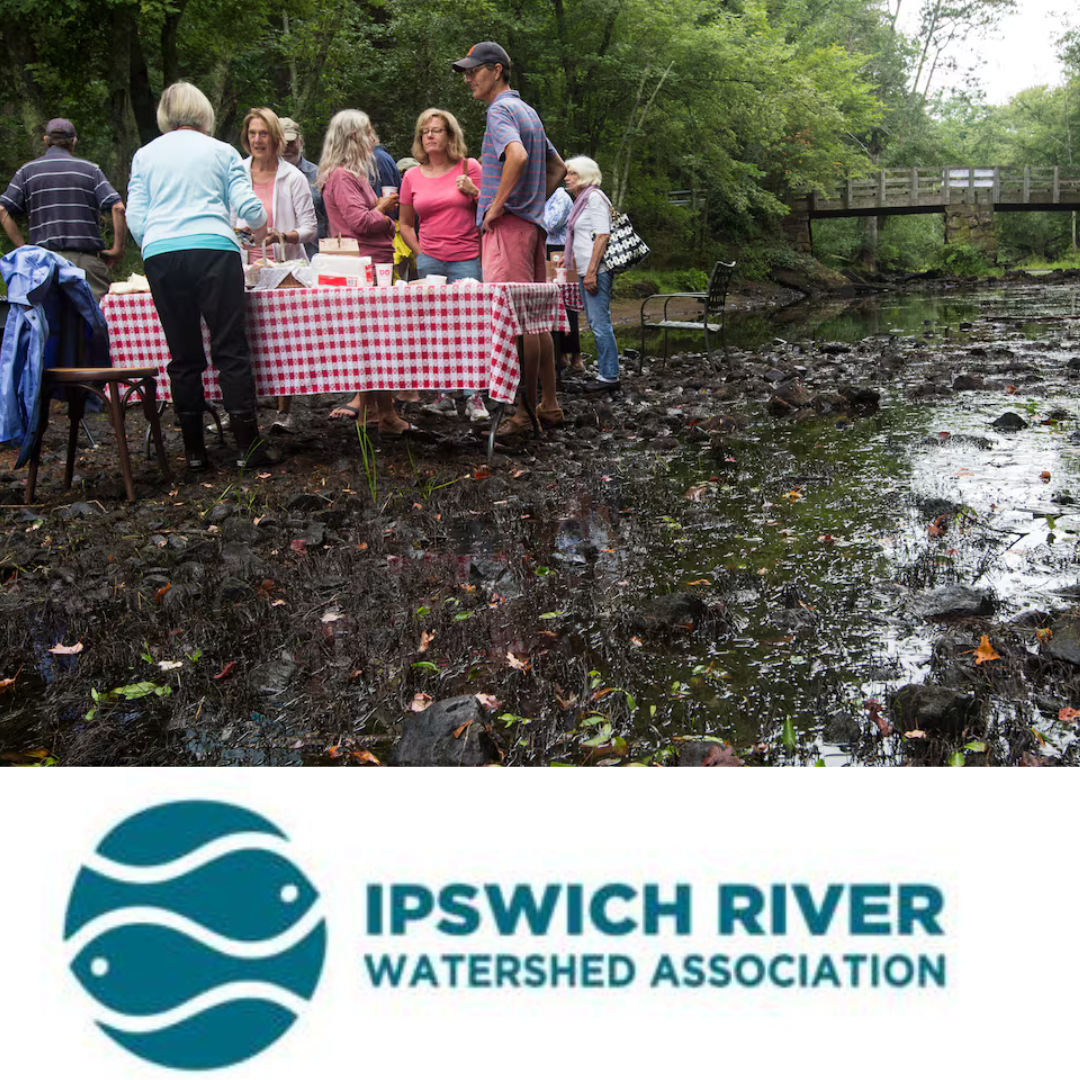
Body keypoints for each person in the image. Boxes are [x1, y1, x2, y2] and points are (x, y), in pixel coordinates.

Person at [125, 81, 278, 471]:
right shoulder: (222, 151)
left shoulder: (145, 154)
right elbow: (250, 209)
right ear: (204, 112)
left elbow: (136, 217)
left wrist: (154, 242)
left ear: (165, 114)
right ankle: (247, 446)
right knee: (230, 349)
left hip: (162, 253)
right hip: (215, 249)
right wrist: (258, 225)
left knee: (183, 355)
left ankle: (194, 452)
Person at [452, 41, 566, 436]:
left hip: (510, 229)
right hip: (531, 227)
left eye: (474, 71)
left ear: (497, 70)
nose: (468, 78)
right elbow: (558, 168)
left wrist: (499, 204)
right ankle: (547, 404)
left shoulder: (499, 110)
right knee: (533, 317)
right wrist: (533, 203)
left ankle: (522, 413)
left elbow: (515, 157)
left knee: (515, 320)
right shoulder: (527, 110)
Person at [318, 109, 415, 437]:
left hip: (370, 262)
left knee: (372, 340)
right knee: (377, 340)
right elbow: (359, 222)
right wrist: (390, 220)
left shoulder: (349, 174)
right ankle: (383, 414)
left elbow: (357, 215)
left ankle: (374, 411)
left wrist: (377, 209)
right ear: (354, 138)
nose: (373, 139)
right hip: (365, 265)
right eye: (368, 132)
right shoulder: (343, 176)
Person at [399, 108, 488, 423]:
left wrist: (474, 192)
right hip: (430, 260)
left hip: (466, 257)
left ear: (451, 135)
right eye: (425, 131)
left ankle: (475, 397)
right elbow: (406, 224)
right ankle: (445, 396)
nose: (430, 136)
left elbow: (490, 213)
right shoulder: (411, 176)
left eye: (436, 130)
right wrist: (421, 252)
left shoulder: (470, 166)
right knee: (437, 328)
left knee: (470, 326)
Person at [235, 107, 317, 433]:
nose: (257, 140)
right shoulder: (237, 174)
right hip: (243, 265)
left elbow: (310, 228)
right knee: (241, 337)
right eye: (252, 134)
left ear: (275, 138)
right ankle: (241, 406)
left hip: (283, 269)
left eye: (263, 133)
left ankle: (284, 411)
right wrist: (241, 236)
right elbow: (229, 221)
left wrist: (282, 235)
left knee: (282, 339)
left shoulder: (293, 177)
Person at [0, 118, 125, 303]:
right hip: (86, 264)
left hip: (43, 265)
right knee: (95, 324)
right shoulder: (90, 170)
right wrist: (117, 249)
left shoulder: (26, 172)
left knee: (48, 325)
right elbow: (118, 207)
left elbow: (3, 210)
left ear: (45, 140)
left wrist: (23, 248)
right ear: (73, 141)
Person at [563, 156, 620, 392]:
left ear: (585, 175)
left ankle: (609, 377)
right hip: (587, 269)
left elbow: (603, 235)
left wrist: (591, 273)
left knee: (599, 323)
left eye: (572, 173)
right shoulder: (582, 201)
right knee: (596, 321)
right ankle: (608, 372)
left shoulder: (594, 198)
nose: (566, 178)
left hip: (596, 270)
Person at [543, 185, 583, 375]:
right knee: (549, 304)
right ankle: (560, 355)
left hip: (559, 252)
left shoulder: (560, 196)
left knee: (567, 305)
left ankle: (575, 355)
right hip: (544, 251)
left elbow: (550, 224)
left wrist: (527, 215)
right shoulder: (540, 195)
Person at [279, 116, 327, 258]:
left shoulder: (319, 175)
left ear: (300, 142)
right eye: (281, 143)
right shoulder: (262, 177)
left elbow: (330, 219)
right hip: (278, 257)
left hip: (313, 257)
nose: (286, 148)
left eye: (290, 143)